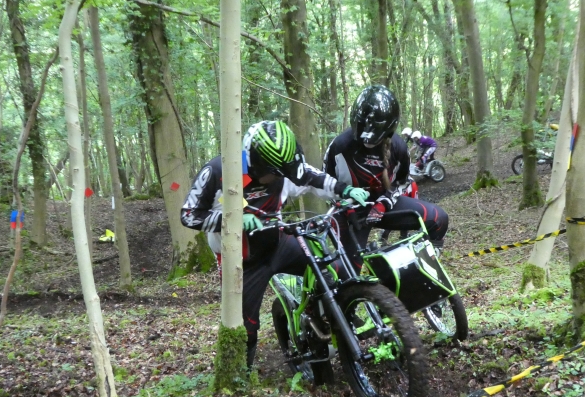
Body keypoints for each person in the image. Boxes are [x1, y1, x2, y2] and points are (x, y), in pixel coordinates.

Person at [181, 120, 369, 369]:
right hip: (241, 260)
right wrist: (231, 219)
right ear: (257, 163)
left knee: (332, 272)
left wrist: (345, 190)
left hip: (278, 242)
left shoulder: (285, 167)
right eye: (275, 173)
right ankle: (239, 376)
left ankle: (332, 320)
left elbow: (313, 177)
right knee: (244, 326)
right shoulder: (218, 171)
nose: (280, 178)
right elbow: (189, 215)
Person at [323, 85, 448, 268]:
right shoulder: (339, 146)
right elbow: (326, 183)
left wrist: (384, 203)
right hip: (350, 212)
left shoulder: (399, 148)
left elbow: (402, 182)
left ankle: (422, 270)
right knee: (347, 273)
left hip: (385, 205)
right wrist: (345, 205)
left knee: (439, 219)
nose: (368, 143)